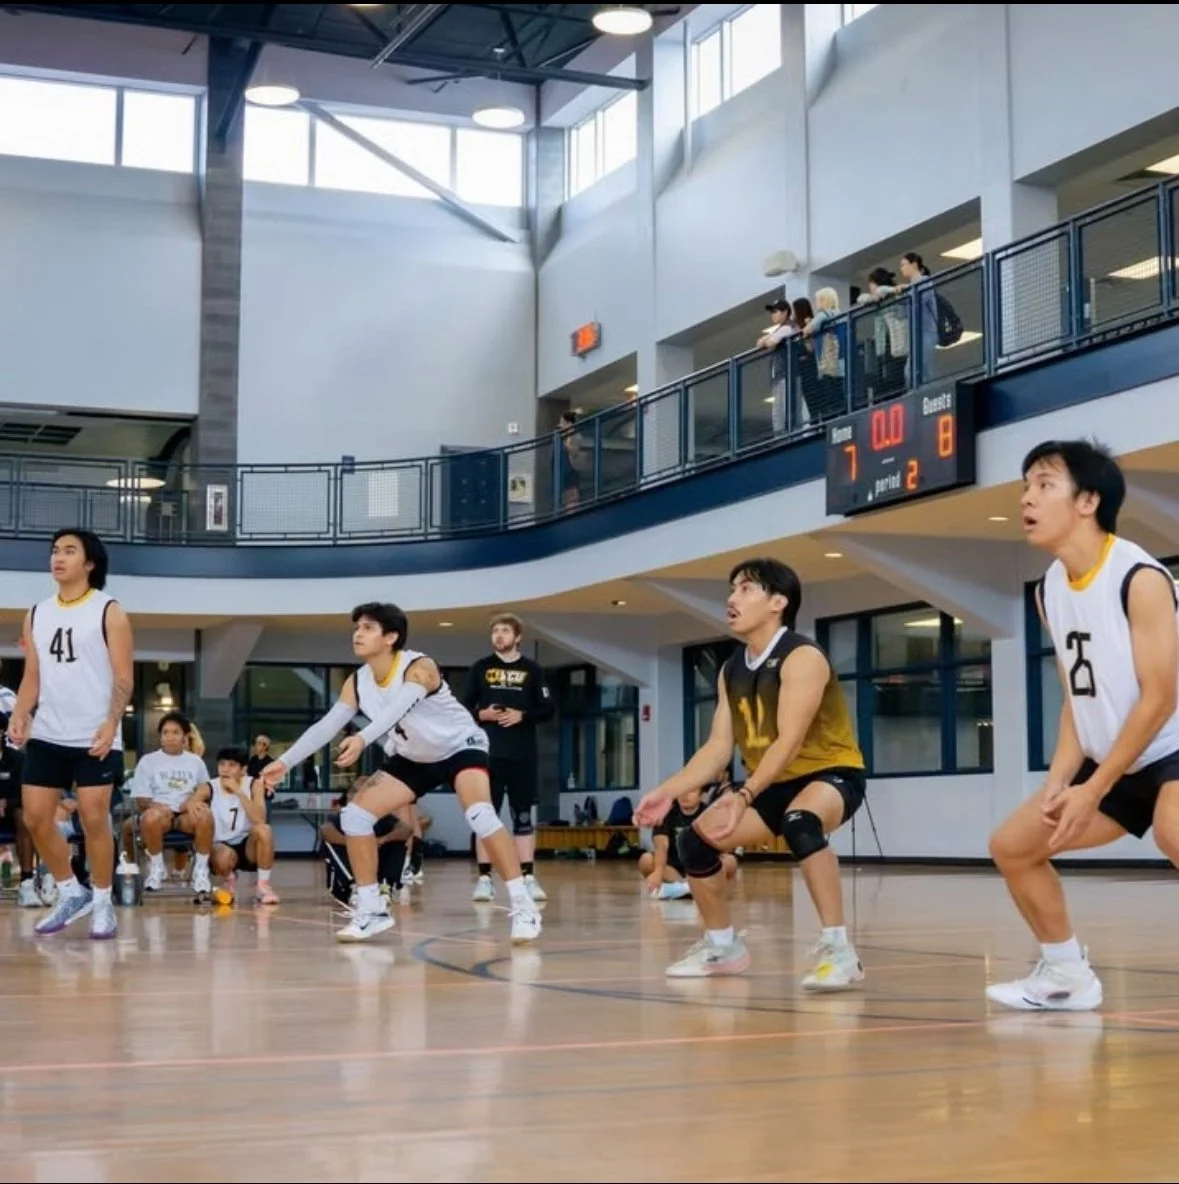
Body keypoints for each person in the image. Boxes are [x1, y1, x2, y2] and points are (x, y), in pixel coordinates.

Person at [987, 439, 1179, 1012]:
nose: (1027, 498)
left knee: (1173, 831)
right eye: (1026, 486)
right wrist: (1059, 780)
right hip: (1116, 757)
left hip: (1170, 742)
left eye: (1044, 485)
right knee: (1013, 847)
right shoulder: (1049, 589)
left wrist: (1093, 789)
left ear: (1088, 500)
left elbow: (1160, 697)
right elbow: (1078, 694)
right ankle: (1068, 977)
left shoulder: (1138, 577)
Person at [634, 558, 867, 987]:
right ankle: (722, 946)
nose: (732, 598)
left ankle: (839, 951)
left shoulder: (802, 656)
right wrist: (666, 791)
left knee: (801, 822)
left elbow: (789, 741)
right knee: (694, 843)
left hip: (831, 774)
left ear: (778, 602)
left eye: (745, 589)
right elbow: (718, 747)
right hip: (772, 783)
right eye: (731, 589)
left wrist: (743, 796)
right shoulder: (732, 669)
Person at [259, 602, 543, 944]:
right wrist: (285, 762)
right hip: (413, 756)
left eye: (368, 628)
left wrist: (363, 738)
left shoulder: (420, 667)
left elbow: (397, 708)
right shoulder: (358, 681)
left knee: (481, 815)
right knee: (355, 817)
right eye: (356, 628)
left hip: (459, 746)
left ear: (391, 636)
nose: (358, 634)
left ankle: (524, 906)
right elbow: (327, 725)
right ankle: (372, 911)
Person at [8, 529, 133, 939]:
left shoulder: (109, 611)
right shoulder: (36, 613)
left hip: (95, 734)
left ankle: (103, 902)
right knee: (35, 817)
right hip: (49, 732)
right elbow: (32, 675)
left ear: (89, 563)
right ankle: (70, 892)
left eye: (69, 551)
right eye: (55, 551)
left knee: (94, 817)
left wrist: (112, 722)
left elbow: (124, 678)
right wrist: (21, 714)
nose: (58, 558)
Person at [462, 613, 554, 904]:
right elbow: (461, 707)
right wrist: (483, 714)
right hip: (487, 754)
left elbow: (548, 708)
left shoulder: (532, 669)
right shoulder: (480, 667)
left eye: (505, 631)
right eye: (495, 631)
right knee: (485, 816)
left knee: (523, 816)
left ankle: (528, 877)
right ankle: (485, 879)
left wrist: (522, 715)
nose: (499, 636)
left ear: (517, 637)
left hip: (522, 754)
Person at [126, 712, 214, 897]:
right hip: (159, 812)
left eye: (175, 732)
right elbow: (141, 800)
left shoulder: (195, 761)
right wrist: (157, 806)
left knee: (205, 814)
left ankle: (200, 871)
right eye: (165, 732)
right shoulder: (148, 761)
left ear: (185, 736)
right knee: (151, 817)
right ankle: (157, 868)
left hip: (185, 815)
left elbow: (205, 789)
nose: (170, 736)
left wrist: (193, 801)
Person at [198, 747, 280, 906]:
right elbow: (190, 803)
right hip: (221, 844)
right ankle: (229, 880)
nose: (225, 769)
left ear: (243, 769)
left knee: (264, 830)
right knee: (221, 857)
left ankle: (263, 887)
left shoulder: (254, 784)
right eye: (222, 764)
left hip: (247, 845)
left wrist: (238, 792)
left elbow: (260, 819)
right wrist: (193, 804)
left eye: (232, 765)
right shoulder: (209, 787)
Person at [322, 774, 415, 905]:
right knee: (331, 842)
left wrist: (382, 840)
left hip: (375, 878)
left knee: (396, 840)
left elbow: (406, 829)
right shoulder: (340, 816)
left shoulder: (381, 818)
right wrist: (357, 843)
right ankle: (354, 887)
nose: (356, 796)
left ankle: (385, 887)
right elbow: (326, 831)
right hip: (345, 884)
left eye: (362, 792)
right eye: (354, 791)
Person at [639, 780, 738, 900]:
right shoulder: (666, 814)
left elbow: (722, 845)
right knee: (646, 860)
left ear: (701, 795)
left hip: (703, 868)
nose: (685, 795)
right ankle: (688, 887)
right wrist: (658, 872)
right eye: (682, 791)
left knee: (730, 861)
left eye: (691, 791)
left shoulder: (710, 813)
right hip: (673, 868)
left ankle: (684, 888)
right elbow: (661, 846)